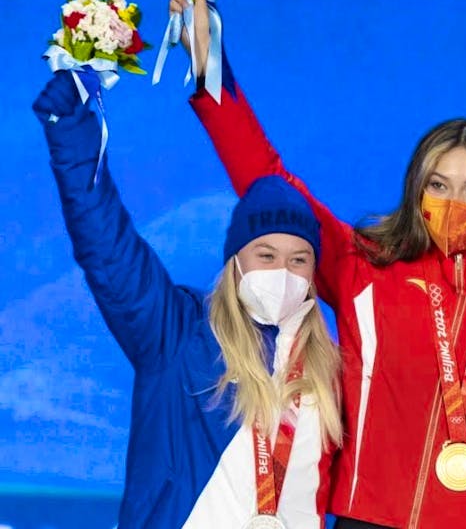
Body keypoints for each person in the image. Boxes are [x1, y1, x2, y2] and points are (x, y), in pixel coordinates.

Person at [167, 0, 466, 528]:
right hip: (366, 519)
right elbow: (269, 179)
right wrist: (213, 73)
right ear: (416, 189)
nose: (455, 201)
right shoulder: (364, 266)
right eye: (439, 184)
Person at [34, 71, 344, 529]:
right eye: (265, 255)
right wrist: (70, 127)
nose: (283, 272)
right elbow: (106, 247)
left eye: (299, 259)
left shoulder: (331, 373)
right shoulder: (177, 333)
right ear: (234, 262)